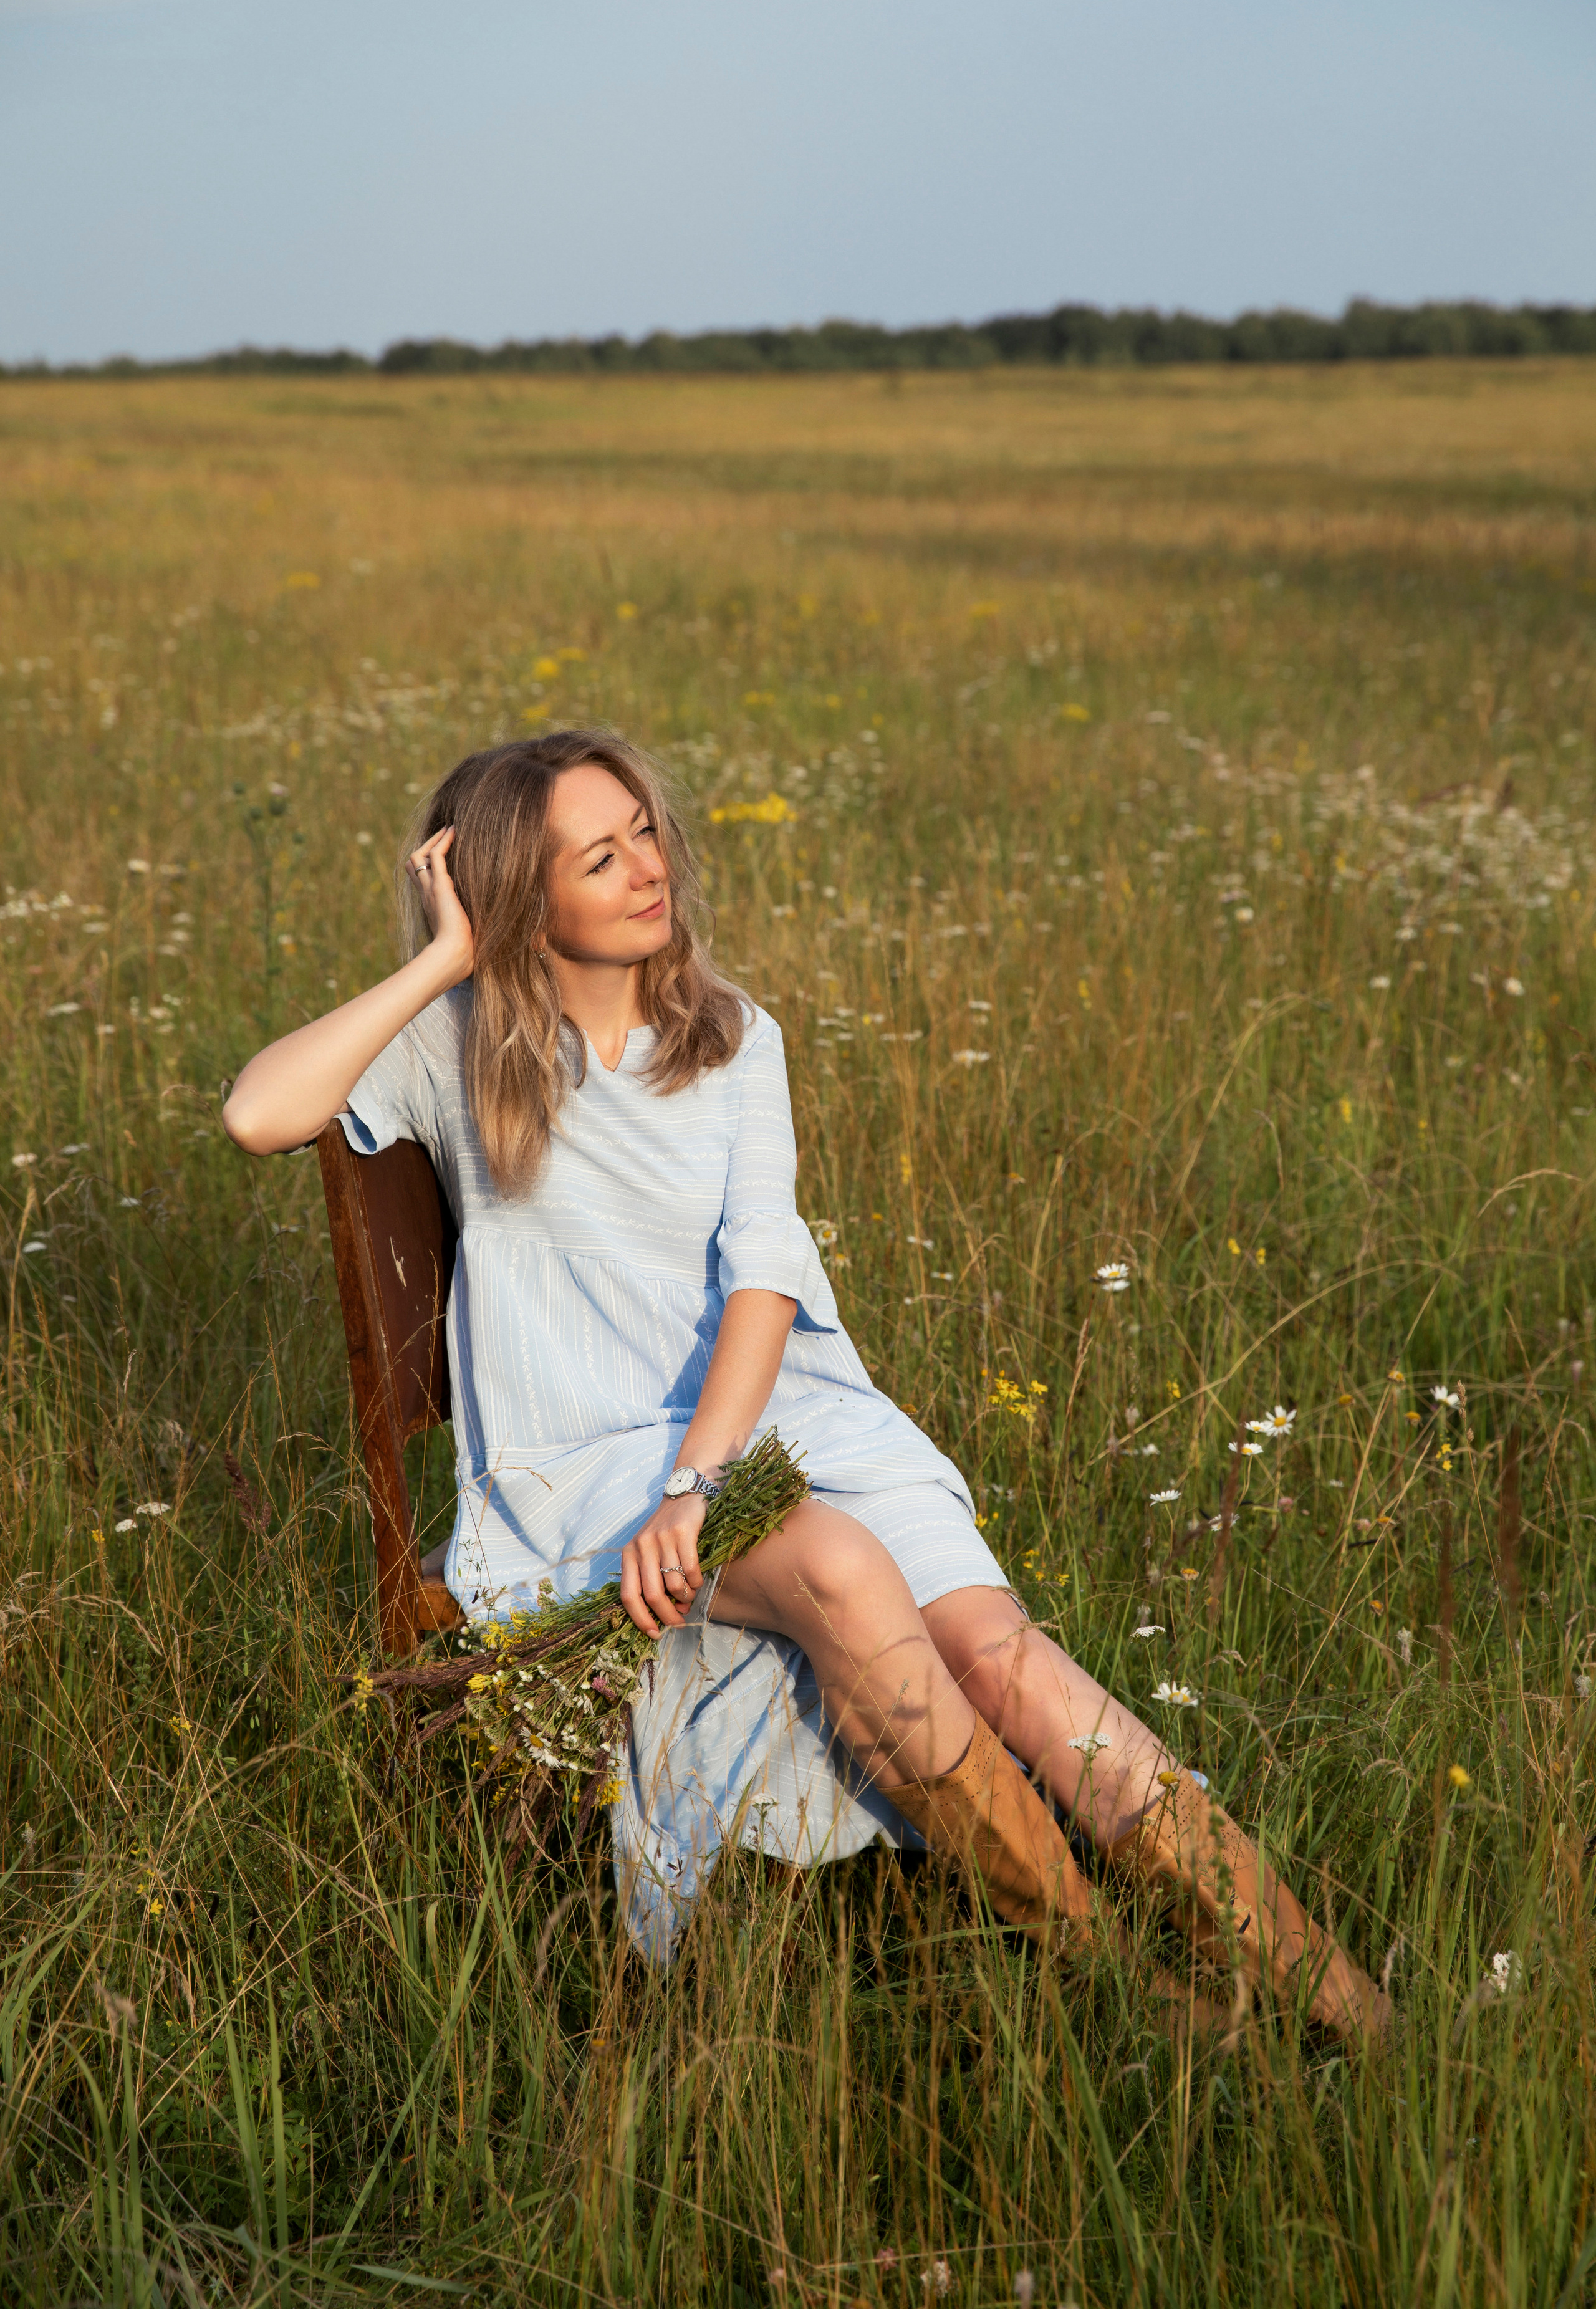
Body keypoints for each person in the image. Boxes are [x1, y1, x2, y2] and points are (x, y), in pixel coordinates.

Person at [224, 726, 1387, 2040]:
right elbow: (260, 1114)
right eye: (595, 857)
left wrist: (702, 1482)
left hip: (781, 1423)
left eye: (644, 833)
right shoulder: (460, 1047)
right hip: (584, 1462)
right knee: (833, 1568)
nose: (644, 870)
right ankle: (1119, 1987)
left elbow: (764, 1277)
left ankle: (1347, 2007)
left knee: (1014, 1668)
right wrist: (441, 954)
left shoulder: (729, 1039)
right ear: (514, 898)